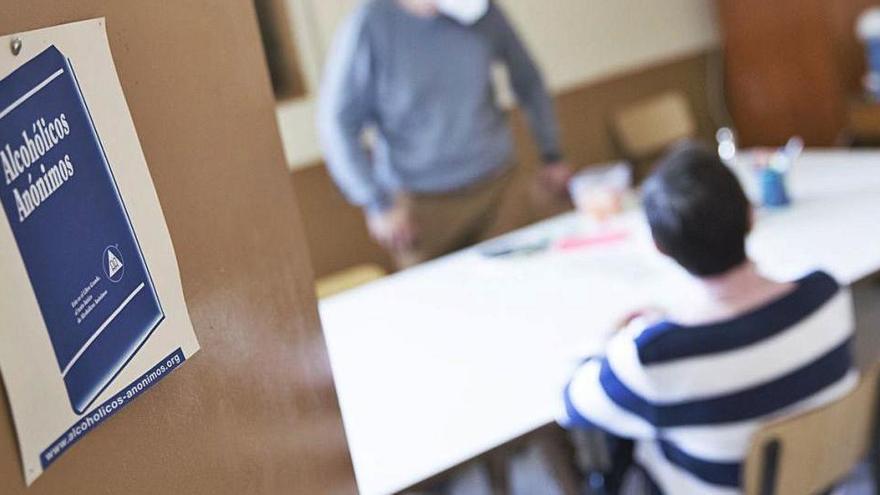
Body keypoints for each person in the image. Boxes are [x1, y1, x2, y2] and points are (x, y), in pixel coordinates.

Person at [558, 145, 857, 494]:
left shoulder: (654, 356)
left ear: (659, 247)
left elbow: (569, 405)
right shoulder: (827, 295)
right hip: (820, 482)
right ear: (751, 215)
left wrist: (618, 337)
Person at [318, 0, 572, 269]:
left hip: (499, 188)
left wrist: (551, 153)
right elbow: (336, 122)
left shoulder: (481, 12)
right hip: (419, 206)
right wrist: (376, 203)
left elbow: (529, 80)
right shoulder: (371, 23)